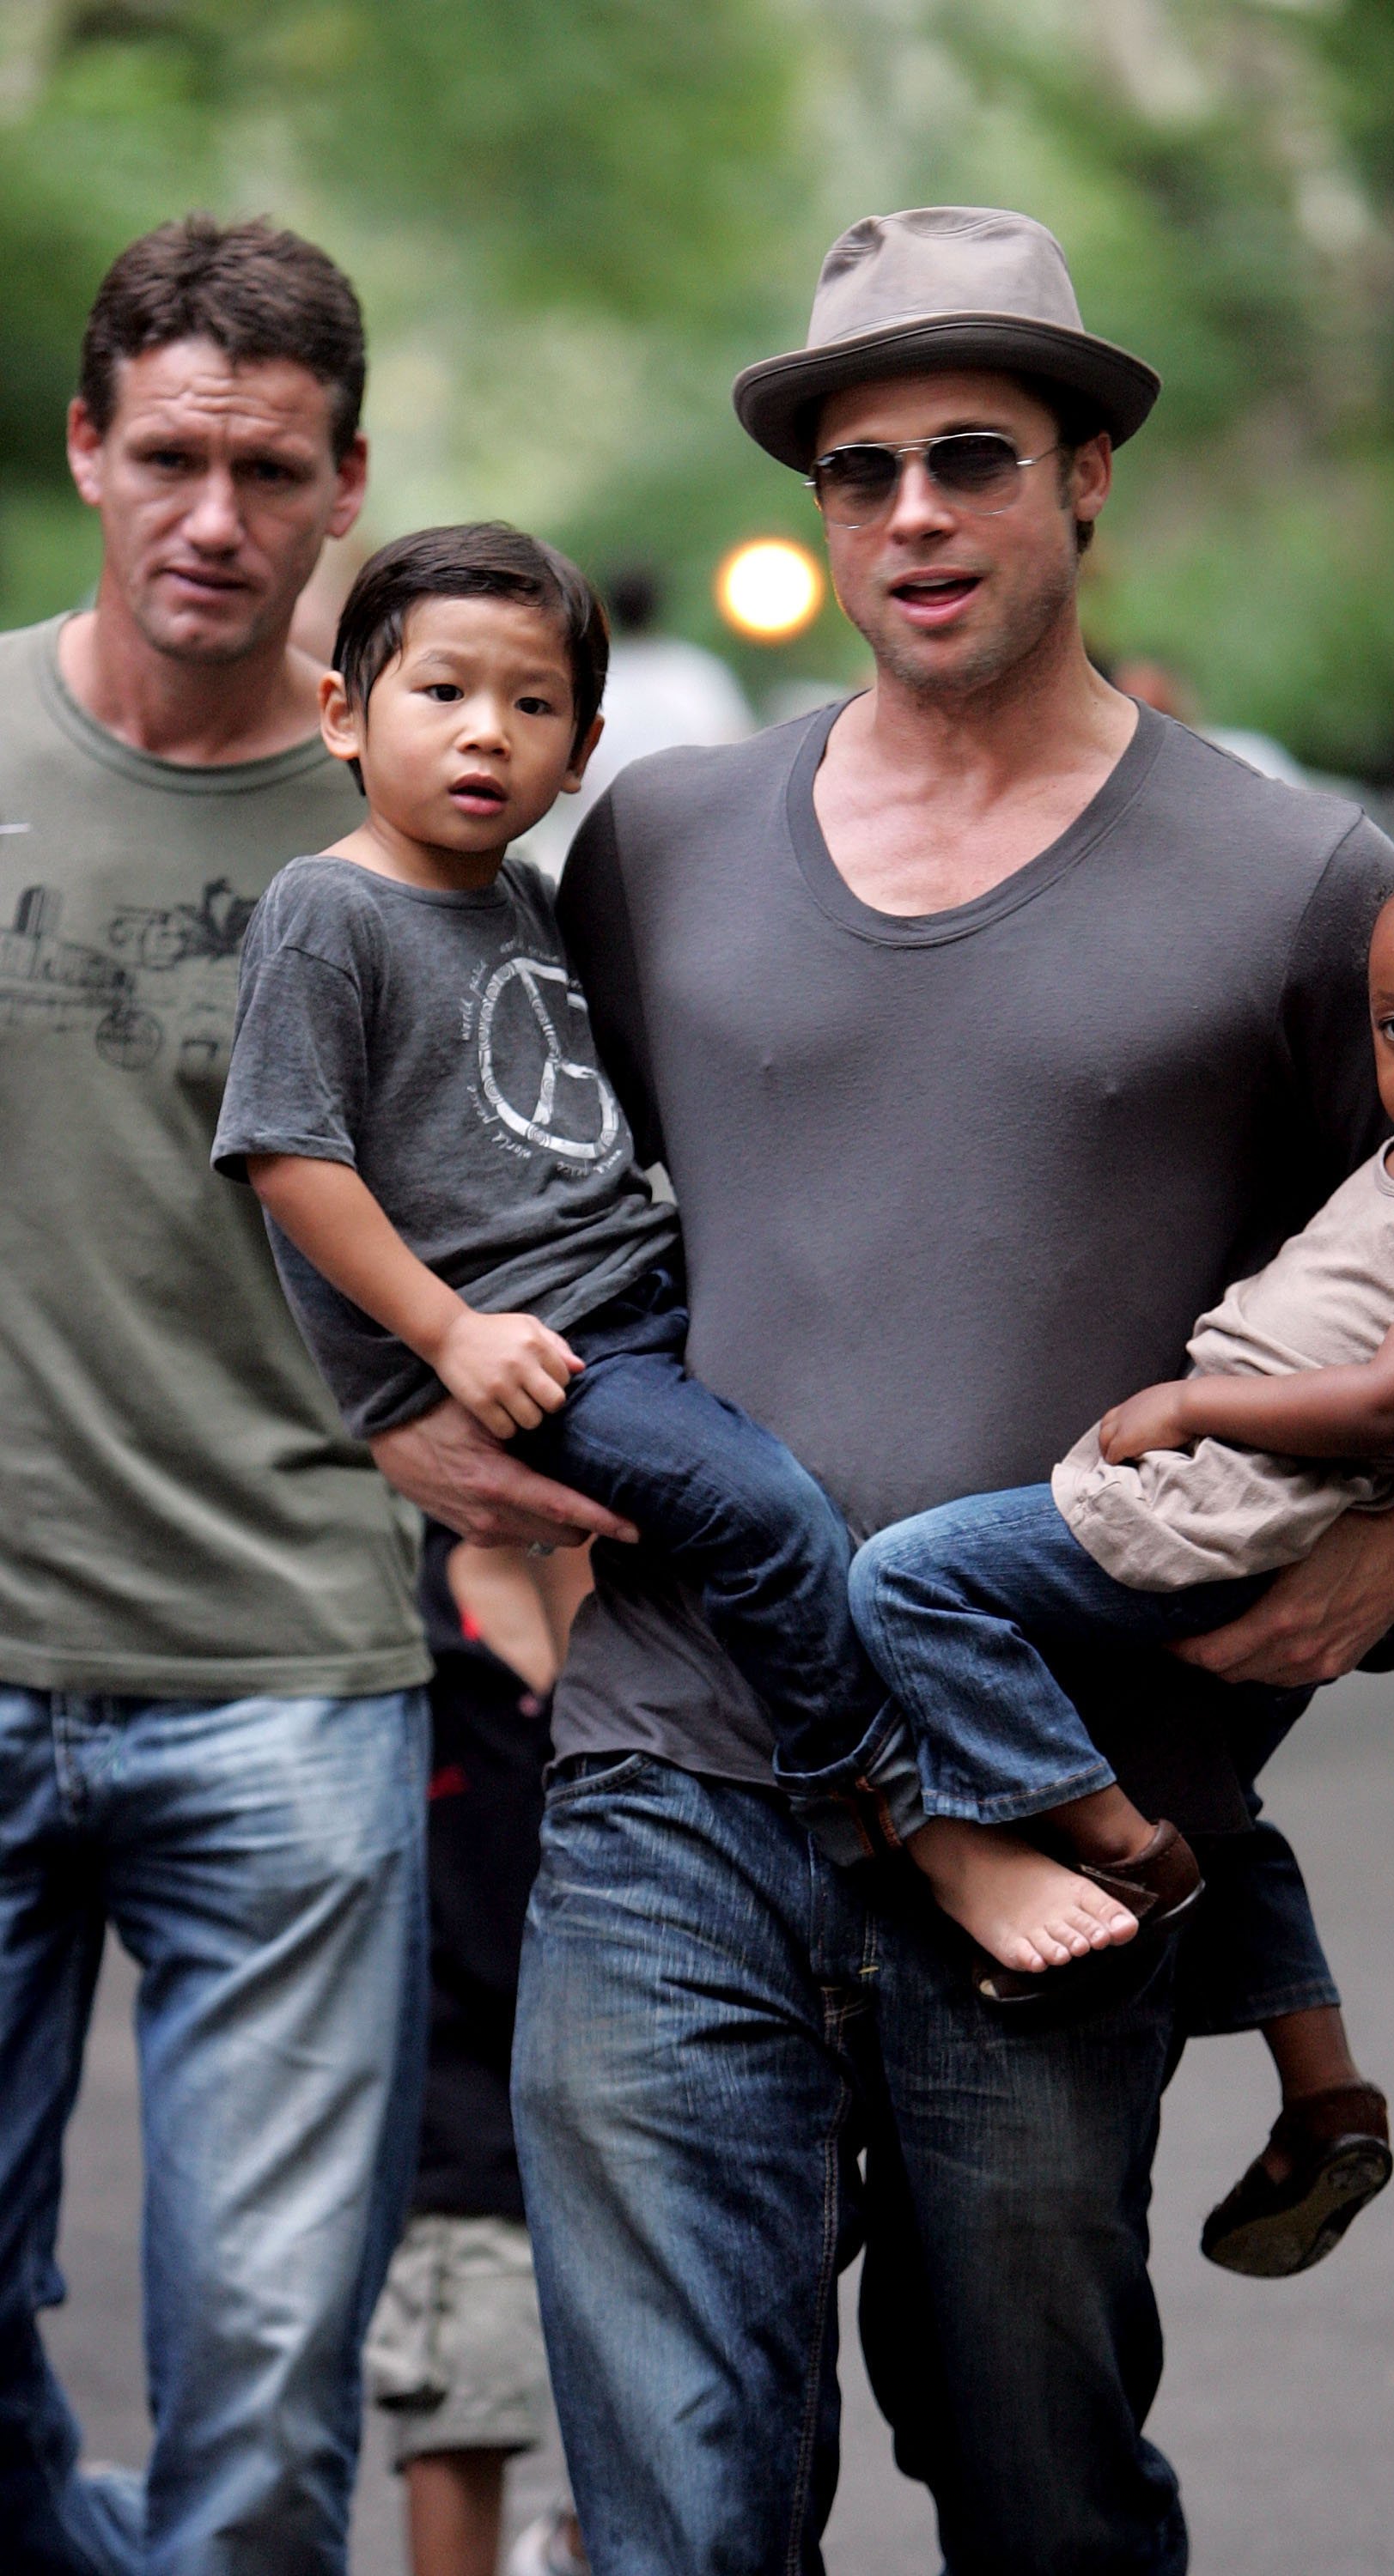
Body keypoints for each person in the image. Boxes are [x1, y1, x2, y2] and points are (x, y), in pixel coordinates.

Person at [368, 207, 1394, 2574]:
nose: (910, 513)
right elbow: (473, 1175)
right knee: (683, 2510)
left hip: (1074, 1802)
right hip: (670, 1768)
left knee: (1032, 2475)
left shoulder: (1289, 875)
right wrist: (430, 1445)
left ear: (1087, 473)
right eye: (861, 470)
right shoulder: (663, 844)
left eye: (971, 460)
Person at [0, 217, 582, 2576]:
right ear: (85, 452)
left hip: (303, 1681)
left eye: (266, 468)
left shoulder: (445, 840)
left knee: (262, 2364)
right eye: (167, 458)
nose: (213, 518)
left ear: (348, 485)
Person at [842, 823, 1394, 2262]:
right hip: (1254, 1500)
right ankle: (1320, 2089)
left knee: (906, 1581)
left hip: (1229, 1497)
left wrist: (1190, 1400)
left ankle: (1107, 1844)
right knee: (1216, 1797)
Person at [213, 522, 926, 1890]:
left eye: (530, 705)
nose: (487, 734)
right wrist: (445, 1342)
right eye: (443, 694)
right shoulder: (326, 909)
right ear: (343, 714)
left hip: (649, 1295)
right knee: (768, 1515)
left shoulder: (530, 902)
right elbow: (290, 1158)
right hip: (548, 1349)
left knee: (854, 1462)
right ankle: (890, 1811)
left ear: (581, 749)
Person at [364, 1531, 591, 2576]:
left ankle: (573, 2550)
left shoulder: (676, 1584)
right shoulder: (402, 1608)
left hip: (655, 2061)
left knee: (693, 2418)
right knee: (462, 2398)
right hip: (461, 2077)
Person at [514, 565, 751, 878]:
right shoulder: (695, 675)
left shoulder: (592, 685)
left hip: (600, 861)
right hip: (696, 856)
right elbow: (739, 759)